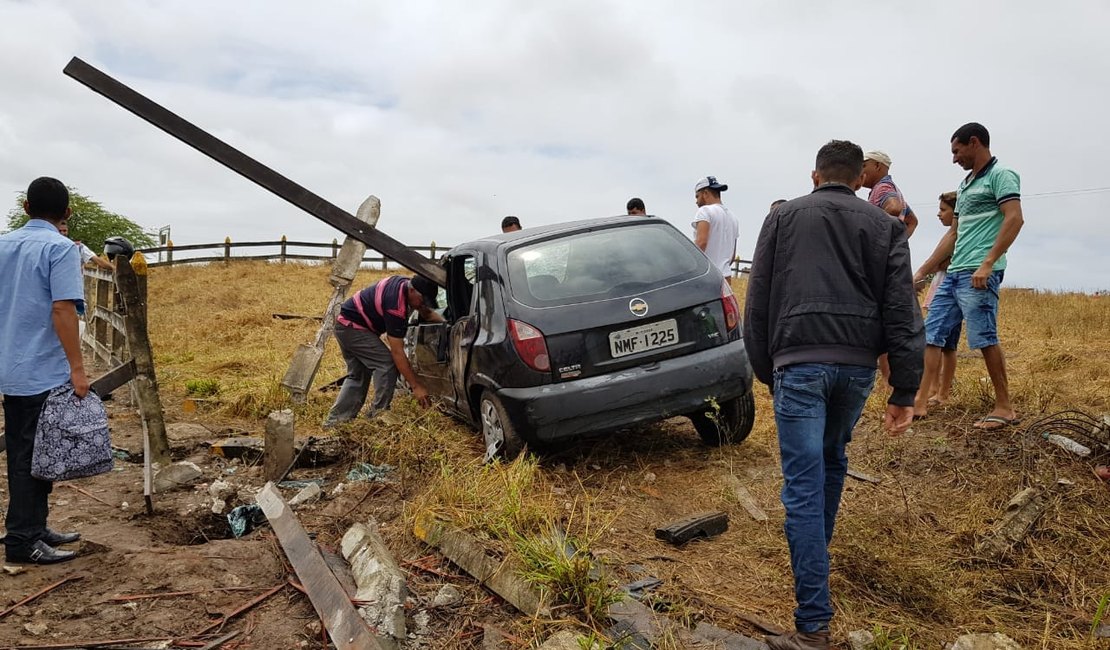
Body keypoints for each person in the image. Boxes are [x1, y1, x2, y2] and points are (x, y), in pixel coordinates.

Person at [743, 141, 923, 650]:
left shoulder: (783, 217)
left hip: (798, 363)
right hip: (856, 368)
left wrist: (765, 368)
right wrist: (904, 388)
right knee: (830, 463)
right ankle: (814, 580)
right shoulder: (885, 226)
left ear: (816, 175)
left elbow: (758, 298)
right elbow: (903, 310)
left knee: (803, 484)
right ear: (857, 177)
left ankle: (813, 626)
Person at [912, 123, 1024, 428]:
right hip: (954, 272)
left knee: (983, 337)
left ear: (974, 142)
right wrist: (923, 269)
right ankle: (920, 402)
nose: (954, 158)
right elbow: (954, 233)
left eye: (956, 151)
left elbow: (1015, 219)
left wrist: (988, 262)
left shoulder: (1002, 175)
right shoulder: (963, 186)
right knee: (932, 333)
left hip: (979, 272)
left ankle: (1004, 407)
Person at [0, 177, 88, 565]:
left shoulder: (2, 244)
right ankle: (22, 541)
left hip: (10, 366)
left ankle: (35, 526)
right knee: (30, 457)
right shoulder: (61, 248)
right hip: (41, 370)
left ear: (25, 208)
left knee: (33, 452)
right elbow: (63, 309)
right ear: (66, 213)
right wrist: (78, 368)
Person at [324, 275, 445, 426]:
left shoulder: (405, 285)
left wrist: (447, 323)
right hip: (352, 327)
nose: (422, 304)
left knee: (358, 375)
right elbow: (397, 353)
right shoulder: (395, 307)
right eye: (422, 300)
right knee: (386, 364)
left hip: (345, 323)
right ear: (413, 291)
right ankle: (377, 416)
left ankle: (336, 423)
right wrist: (416, 386)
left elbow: (425, 312)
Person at [920, 191, 961, 408]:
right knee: (941, 344)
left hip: (948, 290)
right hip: (941, 289)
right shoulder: (949, 237)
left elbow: (941, 264)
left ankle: (941, 390)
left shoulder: (957, 237)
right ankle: (935, 388)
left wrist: (934, 263)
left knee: (944, 344)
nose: (939, 214)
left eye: (943, 210)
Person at [861, 151, 919, 237]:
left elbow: (894, 208)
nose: (860, 171)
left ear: (877, 166)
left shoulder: (882, 187)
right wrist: (899, 243)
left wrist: (872, 232)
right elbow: (912, 221)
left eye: (863, 166)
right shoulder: (892, 189)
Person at [692, 176, 740, 274]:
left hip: (707, 276)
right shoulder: (733, 218)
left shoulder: (704, 211)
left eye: (697, 196)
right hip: (726, 278)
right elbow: (732, 256)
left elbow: (701, 243)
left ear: (705, 193)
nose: (696, 201)